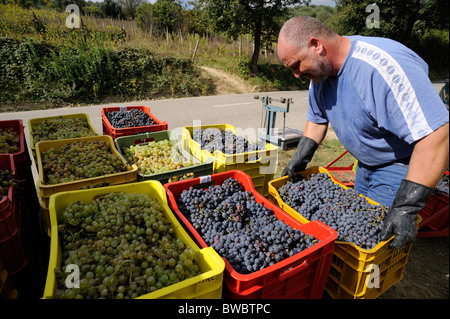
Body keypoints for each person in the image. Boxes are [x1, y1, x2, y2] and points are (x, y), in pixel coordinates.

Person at [277, 16, 449, 249]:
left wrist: (406, 208)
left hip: (401, 168)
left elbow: (437, 134)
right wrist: (301, 157)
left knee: (373, 242)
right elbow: (317, 119)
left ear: (316, 45)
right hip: (365, 164)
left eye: (297, 65)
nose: (296, 75)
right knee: (354, 232)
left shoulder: (382, 67)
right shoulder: (319, 73)